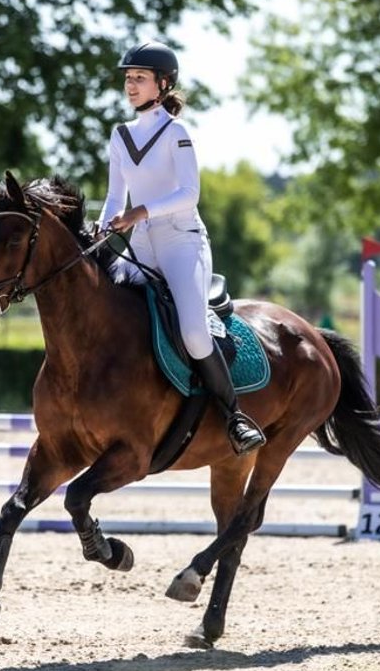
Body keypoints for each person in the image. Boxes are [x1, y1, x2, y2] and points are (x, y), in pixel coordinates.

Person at [99, 40, 266, 456]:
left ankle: (234, 418)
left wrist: (141, 212)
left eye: (139, 78)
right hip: (140, 246)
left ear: (163, 83)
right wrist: (100, 230)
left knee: (193, 332)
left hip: (181, 243)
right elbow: (113, 198)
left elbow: (190, 194)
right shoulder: (120, 135)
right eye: (128, 79)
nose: (131, 86)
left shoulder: (177, 133)